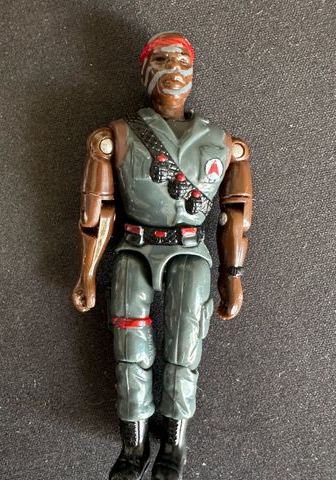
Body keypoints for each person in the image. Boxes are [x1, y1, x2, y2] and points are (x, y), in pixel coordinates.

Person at [72, 31, 253, 480]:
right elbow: (98, 212)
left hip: (191, 250)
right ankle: (132, 444)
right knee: (128, 346)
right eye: (161, 60)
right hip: (133, 247)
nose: (174, 70)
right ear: (144, 71)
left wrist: (231, 274)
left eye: (182, 62)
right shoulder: (115, 136)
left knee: (185, 345)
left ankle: (174, 443)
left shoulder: (224, 143)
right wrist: (87, 273)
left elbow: (236, 215)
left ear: (194, 72)